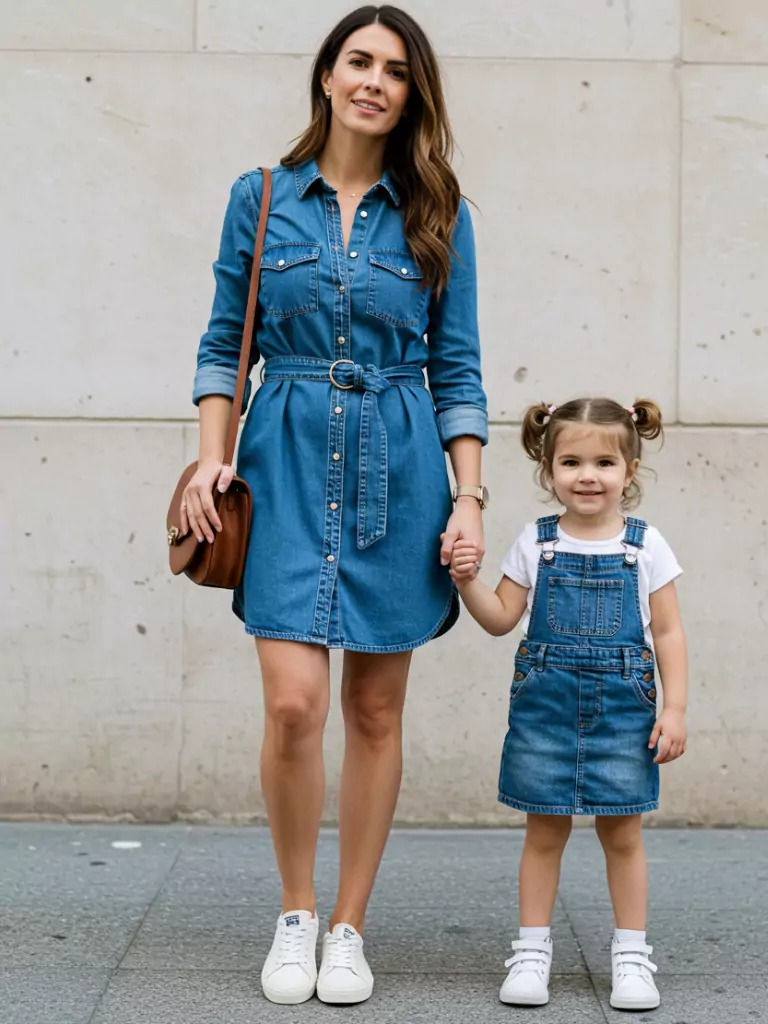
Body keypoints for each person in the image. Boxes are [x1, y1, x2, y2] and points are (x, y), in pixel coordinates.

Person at [183, 5, 488, 1007]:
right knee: (292, 702)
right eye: (358, 60)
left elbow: (457, 367)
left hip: (401, 470)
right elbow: (224, 338)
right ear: (326, 75)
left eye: (395, 70)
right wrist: (207, 461)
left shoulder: (440, 212)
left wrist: (471, 494)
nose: (373, 80)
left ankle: (350, 925)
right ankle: (297, 908)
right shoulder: (263, 197)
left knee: (374, 705)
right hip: (285, 461)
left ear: (412, 94)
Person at [450, 398, 687, 1012]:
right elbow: (502, 618)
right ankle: (532, 952)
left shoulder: (646, 545)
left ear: (629, 470)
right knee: (543, 831)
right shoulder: (537, 539)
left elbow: (667, 633)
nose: (588, 475)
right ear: (547, 468)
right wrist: (465, 581)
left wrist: (676, 708)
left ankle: (632, 955)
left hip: (624, 710)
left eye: (605, 461)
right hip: (544, 708)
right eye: (572, 461)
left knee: (624, 833)